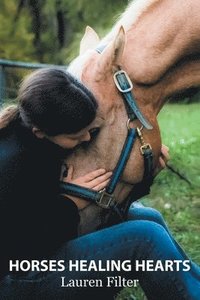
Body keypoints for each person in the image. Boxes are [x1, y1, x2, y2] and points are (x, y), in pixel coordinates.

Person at [0, 68, 199, 300]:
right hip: (17, 277)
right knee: (144, 238)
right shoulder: (15, 165)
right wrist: (70, 204)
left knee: (148, 217)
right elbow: (29, 246)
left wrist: (148, 173)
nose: (85, 139)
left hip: (38, 249)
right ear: (41, 132)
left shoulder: (37, 135)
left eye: (90, 132)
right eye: (77, 136)